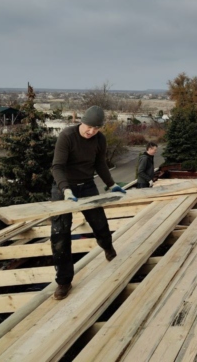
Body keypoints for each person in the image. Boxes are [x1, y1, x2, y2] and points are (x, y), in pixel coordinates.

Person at [50, 106, 127, 300]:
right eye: (89, 127)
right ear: (81, 122)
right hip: (63, 187)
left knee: (99, 222)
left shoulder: (100, 140)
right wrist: (65, 189)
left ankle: (108, 247)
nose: (91, 131)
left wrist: (111, 184)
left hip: (87, 185)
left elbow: (100, 163)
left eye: (96, 128)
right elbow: (57, 166)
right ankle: (64, 281)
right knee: (60, 235)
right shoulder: (67, 136)